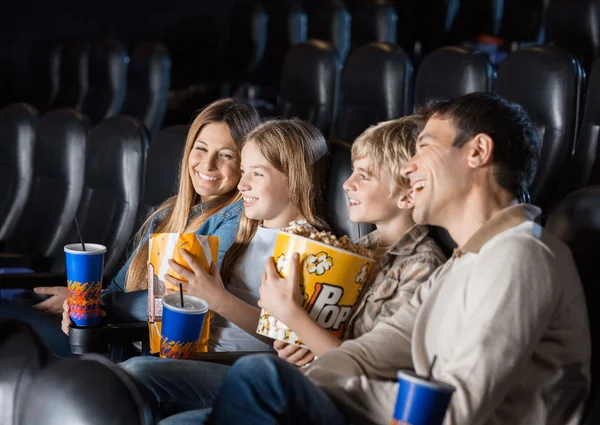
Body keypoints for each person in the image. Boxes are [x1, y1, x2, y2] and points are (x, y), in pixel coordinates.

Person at [194, 92, 592, 425]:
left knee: (258, 377)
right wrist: (305, 380)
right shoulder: (463, 263)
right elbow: (366, 355)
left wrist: (312, 388)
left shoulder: (518, 257)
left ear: (478, 152)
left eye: (425, 148)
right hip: (389, 411)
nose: (411, 167)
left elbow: (456, 411)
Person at [0, 98, 261, 358]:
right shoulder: (170, 212)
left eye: (226, 155)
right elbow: (118, 288)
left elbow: (178, 301)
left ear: (245, 164)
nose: (208, 164)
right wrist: (80, 304)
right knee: (21, 308)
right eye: (201, 148)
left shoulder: (236, 217)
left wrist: (94, 301)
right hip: (110, 334)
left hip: (136, 350)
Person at [119, 118, 329, 411]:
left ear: (295, 179)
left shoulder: (308, 248)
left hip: (241, 368)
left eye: (257, 174)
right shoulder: (247, 229)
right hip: (196, 352)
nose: (243, 184)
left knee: (134, 375)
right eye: (244, 171)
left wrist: (216, 297)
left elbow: (289, 339)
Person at [259, 117, 446, 367]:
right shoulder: (360, 249)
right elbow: (326, 341)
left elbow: (370, 367)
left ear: (407, 195)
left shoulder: (422, 268)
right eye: (353, 171)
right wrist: (300, 342)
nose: (347, 184)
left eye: (364, 176)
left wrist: (290, 315)